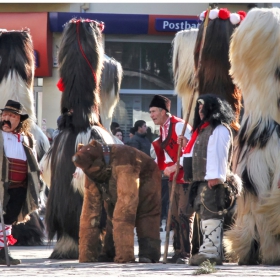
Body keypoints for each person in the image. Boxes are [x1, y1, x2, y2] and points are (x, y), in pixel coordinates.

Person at [181, 94, 235, 266]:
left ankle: (211, 253)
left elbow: (218, 154)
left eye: (202, 106)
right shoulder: (203, 130)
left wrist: (215, 176)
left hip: (212, 181)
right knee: (204, 214)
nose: (199, 110)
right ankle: (207, 250)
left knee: (211, 213)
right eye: (198, 107)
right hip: (201, 180)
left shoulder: (219, 129)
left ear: (212, 108)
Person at [149, 94, 194, 264]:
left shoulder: (180, 126)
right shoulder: (162, 129)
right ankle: (177, 251)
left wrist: (176, 166)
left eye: (153, 112)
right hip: (173, 178)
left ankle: (185, 253)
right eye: (150, 112)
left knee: (184, 214)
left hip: (186, 178)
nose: (151, 115)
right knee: (174, 215)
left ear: (163, 111)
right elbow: (166, 154)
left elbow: (192, 150)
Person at [0, 99, 41, 265]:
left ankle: (3, 252)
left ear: (19, 120)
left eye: (11, 116)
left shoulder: (27, 138)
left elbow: (33, 162)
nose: (6, 118)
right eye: (4, 114)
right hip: (2, 185)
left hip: (20, 187)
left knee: (9, 219)